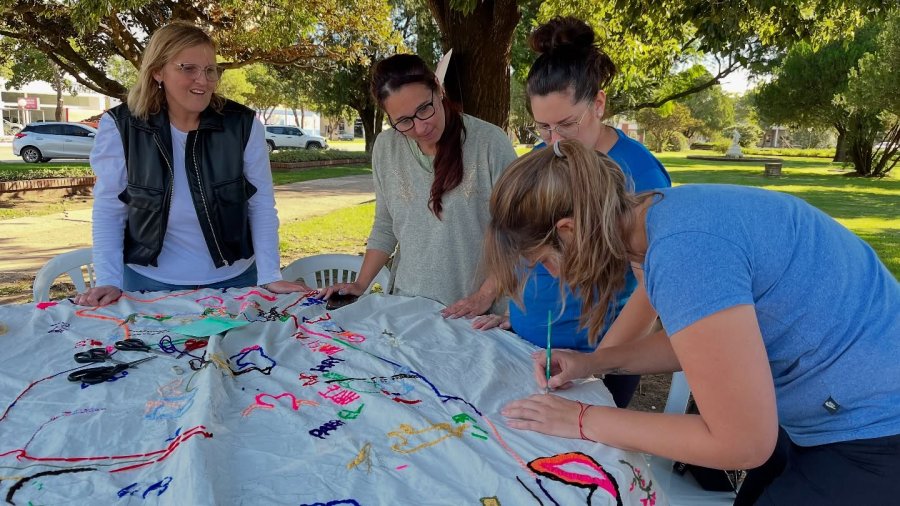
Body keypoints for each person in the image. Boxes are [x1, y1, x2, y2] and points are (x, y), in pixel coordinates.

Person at [490, 140, 900, 504]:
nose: (553, 274)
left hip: (875, 425)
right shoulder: (657, 214)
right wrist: (594, 363)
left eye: (545, 260)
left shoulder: (683, 251)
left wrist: (580, 420)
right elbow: (702, 343)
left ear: (570, 230)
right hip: (824, 410)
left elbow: (742, 444)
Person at [473, 16, 671, 408]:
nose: (555, 142)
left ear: (598, 104)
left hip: (598, 353)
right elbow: (527, 244)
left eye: (566, 124)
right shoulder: (543, 157)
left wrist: (597, 362)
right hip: (533, 342)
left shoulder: (640, 172)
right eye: (542, 128)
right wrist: (516, 309)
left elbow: (650, 291)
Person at [75, 21, 309, 307]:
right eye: (188, 68)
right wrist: (109, 280)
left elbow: (260, 205)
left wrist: (270, 274)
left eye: (210, 70)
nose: (203, 80)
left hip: (235, 277)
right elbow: (109, 210)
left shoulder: (243, 125)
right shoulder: (121, 127)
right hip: (147, 281)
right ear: (158, 71)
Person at [319, 54, 517, 316]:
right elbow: (386, 224)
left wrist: (484, 296)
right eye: (404, 121)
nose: (421, 127)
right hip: (407, 307)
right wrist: (360, 283)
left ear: (438, 88)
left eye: (425, 108)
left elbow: (519, 231)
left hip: (475, 312)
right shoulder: (386, 147)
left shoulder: (490, 142)